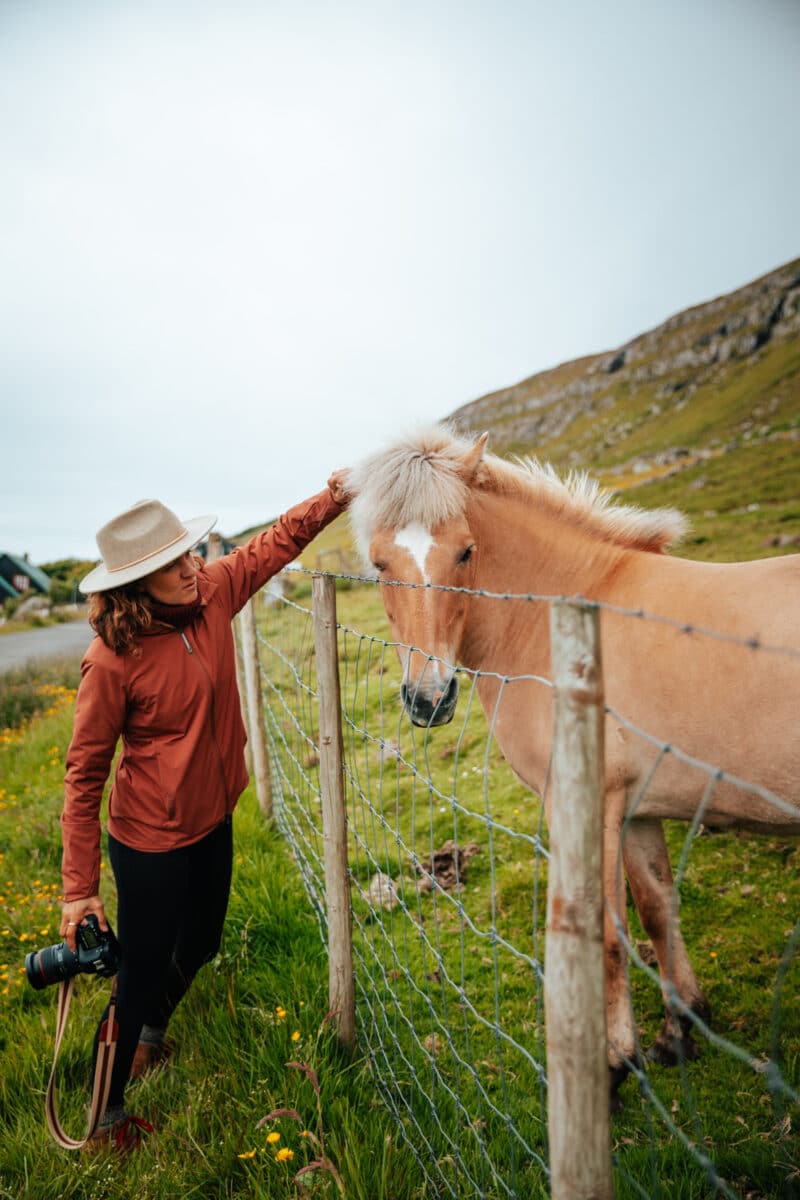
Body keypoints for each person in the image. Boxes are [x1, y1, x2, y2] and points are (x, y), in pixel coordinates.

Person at [59, 473, 349, 1152]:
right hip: (150, 842)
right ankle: (104, 1117)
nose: (195, 564)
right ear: (138, 582)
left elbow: (276, 543)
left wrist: (335, 495)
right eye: (175, 562)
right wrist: (78, 890)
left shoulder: (213, 591)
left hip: (214, 817)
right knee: (136, 976)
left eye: (191, 552)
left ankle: (149, 1039)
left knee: (204, 944)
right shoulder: (111, 661)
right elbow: (83, 777)